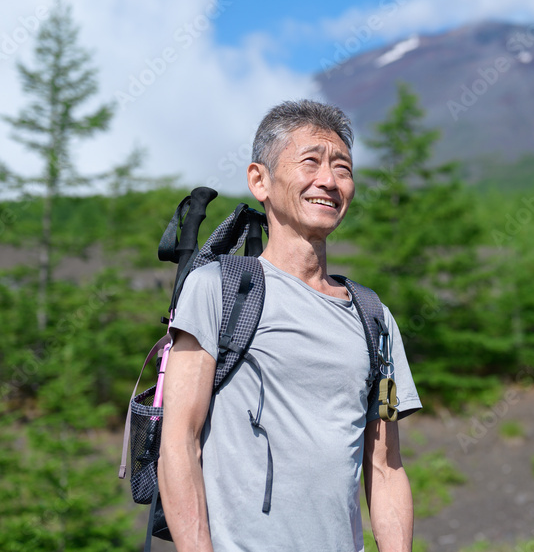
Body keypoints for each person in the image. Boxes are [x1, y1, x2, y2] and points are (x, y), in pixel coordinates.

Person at [157, 100, 422, 552]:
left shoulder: (372, 314)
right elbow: (178, 444)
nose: (329, 181)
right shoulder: (218, 289)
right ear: (259, 180)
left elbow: (385, 467)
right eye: (310, 163)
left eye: (342, 168)